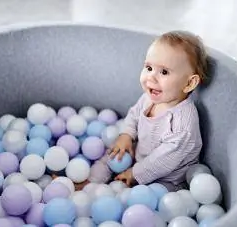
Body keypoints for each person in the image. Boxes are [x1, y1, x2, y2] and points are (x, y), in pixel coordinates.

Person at [78, 30, 208, 192]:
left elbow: (164, 160)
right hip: (138, 158)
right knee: (110, 156)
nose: (151, 77)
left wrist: (135, 173)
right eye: (148, 67)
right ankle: (89, 185)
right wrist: (126, 135)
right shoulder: (150, 98)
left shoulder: (183, 123)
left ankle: (114, 200)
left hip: (167, 180)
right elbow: (134, 115)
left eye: (164, 72)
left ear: (189, 83)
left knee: (146, 196)